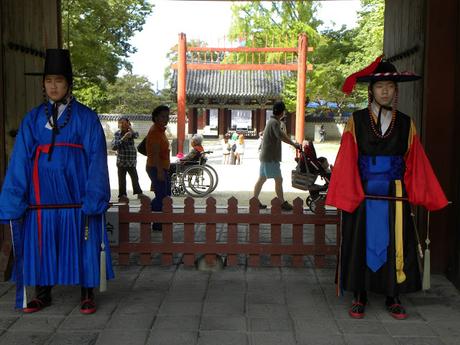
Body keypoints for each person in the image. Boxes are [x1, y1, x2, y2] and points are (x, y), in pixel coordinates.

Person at [326, 56, 448, 320]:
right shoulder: (356, 121)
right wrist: (347, 193)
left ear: (395, 90)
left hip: (395, 193)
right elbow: (347, 159)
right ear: (371, 90)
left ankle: (393, 295)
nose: (385, 91)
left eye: (390, 86)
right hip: (364, 191)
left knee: (396, 243)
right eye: (380, 86)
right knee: (361, 241)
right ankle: (360, 294)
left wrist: (427, 195)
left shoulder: (406, 123)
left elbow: (416, 162)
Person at [0, 49, 114, 314]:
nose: (53, 86)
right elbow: (19, 160)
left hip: (76, 198)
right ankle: (42, 293)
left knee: (84, 242)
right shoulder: (32, 119)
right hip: (42, 200)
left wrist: (94, 195)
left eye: (59, 81)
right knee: (42, 243)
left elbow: (97, 158)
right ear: (43, 84)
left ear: (68, 84)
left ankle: (87, 294)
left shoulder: (86, 118)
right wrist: (13, 199)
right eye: (49, 80)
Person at [252, 101, 301, 211]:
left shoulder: (272, 121)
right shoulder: (274, 122)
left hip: (266, 156)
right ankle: (282, 202)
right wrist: (293, 144)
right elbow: (281, 135)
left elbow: (280, 135)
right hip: (270, 157)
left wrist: (292, 143)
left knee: (261, 179)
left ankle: (254, 200)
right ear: (282, 112)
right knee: (279, 179)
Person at [146, 105, 171, 231]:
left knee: (164, 194)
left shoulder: (160, 130)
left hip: (161, 167)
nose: (166, 119)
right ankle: (152, 217)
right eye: (163, 116)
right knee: (162, 195)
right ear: (155, 117)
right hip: (156, 167)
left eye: (167, 116)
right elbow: (155, 153)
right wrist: (160, 171)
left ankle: (155, 218)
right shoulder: (155, 131)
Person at [111, 117, 143, 199]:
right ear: (118, 125)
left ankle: (139, 193)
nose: (123, 125)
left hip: (131, 161)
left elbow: (136, 135)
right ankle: (122, 195)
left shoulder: (131, 133)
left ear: (128, 124)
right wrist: (123, 138)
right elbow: (114, 147)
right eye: (121, 123)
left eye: (125, 123)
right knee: (122, 179)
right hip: (121, 161)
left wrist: (130, 129)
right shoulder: (117, 134)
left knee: (135, 177)